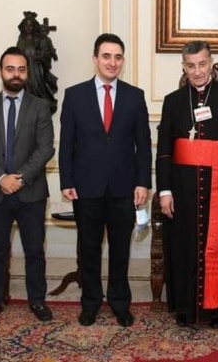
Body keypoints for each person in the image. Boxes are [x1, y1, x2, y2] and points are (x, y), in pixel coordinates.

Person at [58, 33, 152, 328]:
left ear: (123, 61)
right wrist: (66, 180)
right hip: (86, 188)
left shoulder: (135, 96)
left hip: (125, 189)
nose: (112, 62)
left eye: (118, 57)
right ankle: (90, 303)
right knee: (88, 250)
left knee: (121, 251)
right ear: (95, 59)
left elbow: (143, 145)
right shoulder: (75, 95)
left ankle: (120, 303)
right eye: (107, 56)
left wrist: (143, 183)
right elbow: (67, 143)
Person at [156, 41, 218, 329]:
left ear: (211, 63)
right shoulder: (173, 101)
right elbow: (164, 152)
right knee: (183, 247)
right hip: (182, 190)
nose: (197, 71)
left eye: (202, 64)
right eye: (191, 65)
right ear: (183, 67)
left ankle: (215, 308)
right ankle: (184, 306)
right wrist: (165, 191)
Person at [0, 46, 56, 324]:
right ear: (1, 72)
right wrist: (1, 178)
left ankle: (37, 300)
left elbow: (46, 148)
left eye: (21, 69)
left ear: (27, 73)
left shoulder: (40, 106)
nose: (16, 74)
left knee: (35, 251)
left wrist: (19, 178)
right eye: (10, 69)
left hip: (31, 192)